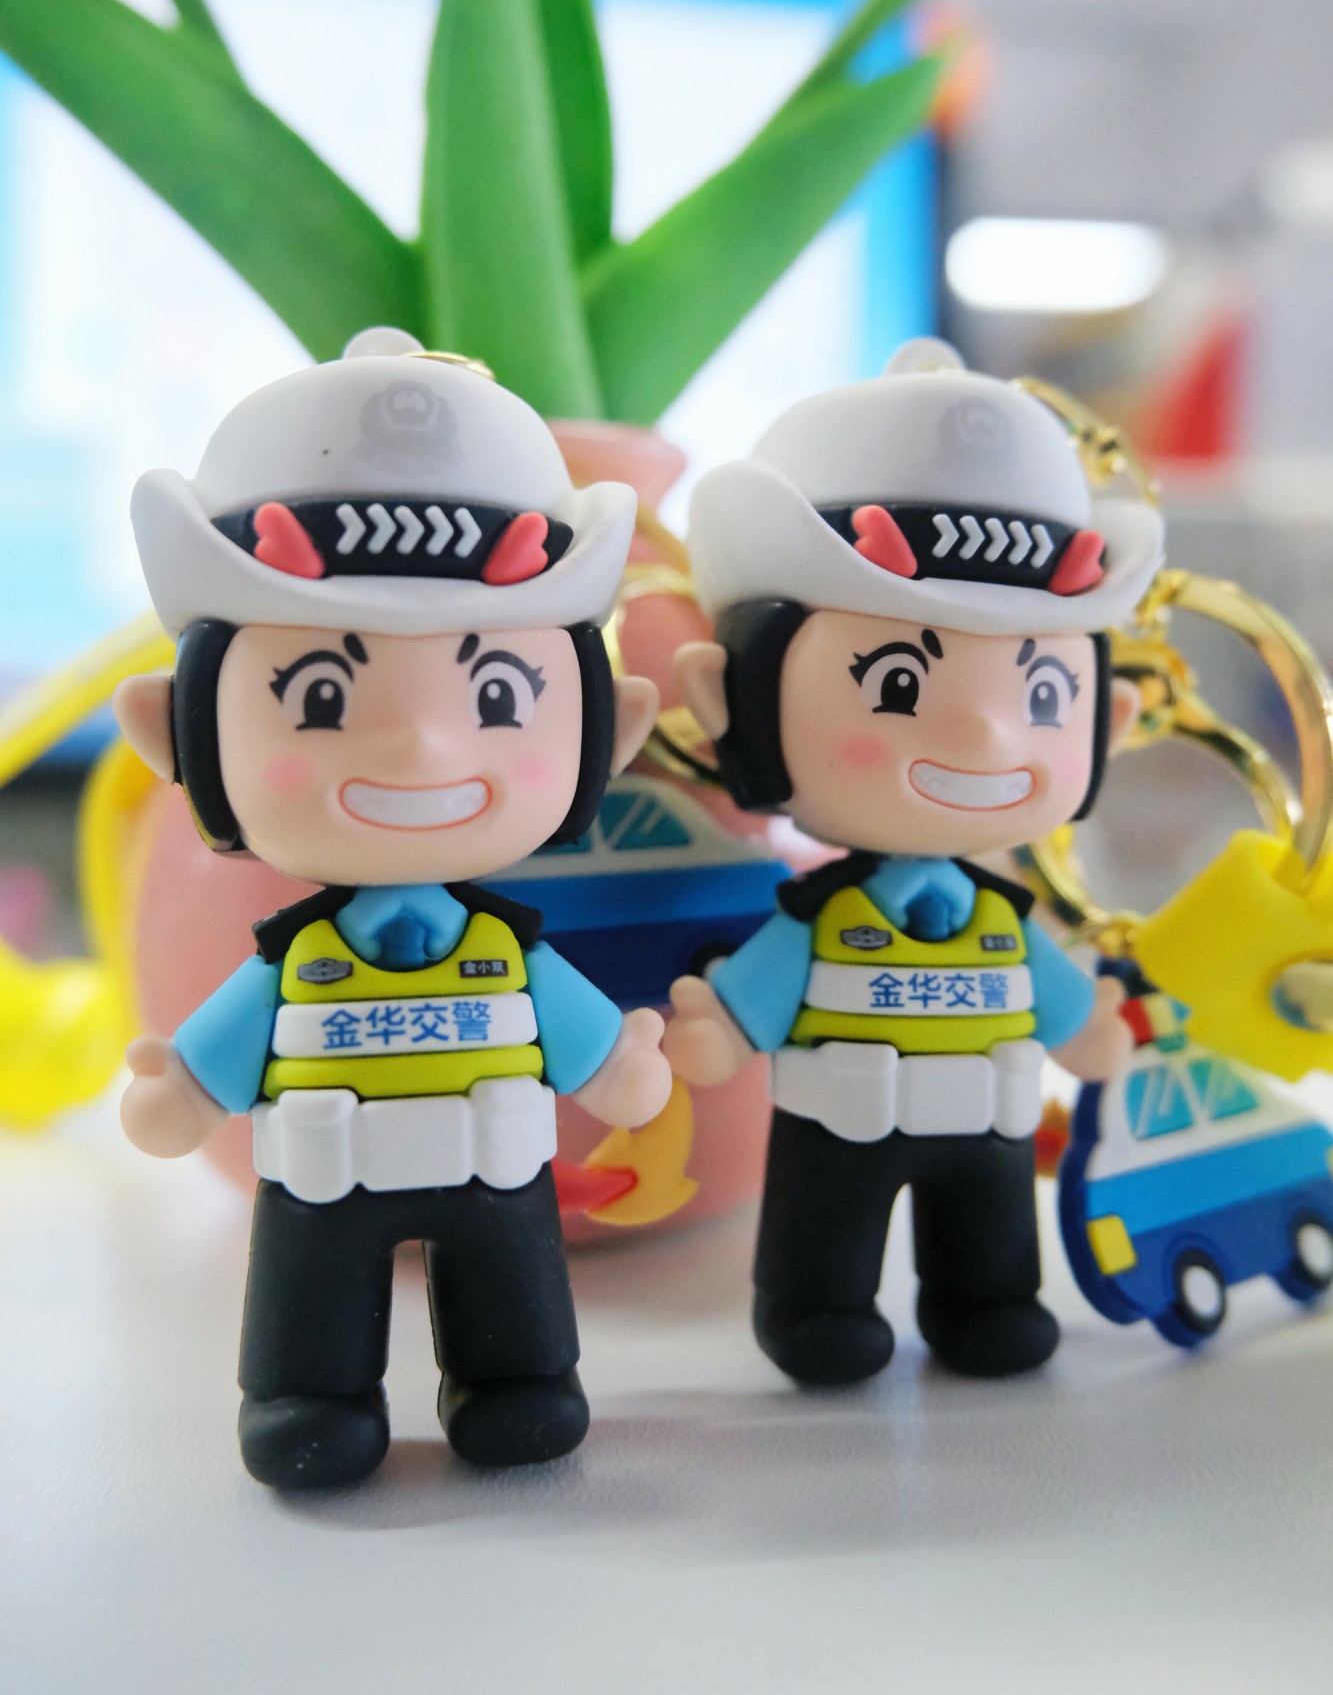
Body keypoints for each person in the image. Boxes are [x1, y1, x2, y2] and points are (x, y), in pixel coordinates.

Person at [115, 329, 671, 1489]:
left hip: (494, 1169)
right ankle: (307, 1393)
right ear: (179, 734)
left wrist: (619, 1067)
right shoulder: (294, 963)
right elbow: (209, 1068)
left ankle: (515, 1378)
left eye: (496, 694)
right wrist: (183, 1091)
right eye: (321, 695)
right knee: (310, 1303)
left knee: (513, 1303)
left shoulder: (507, 955)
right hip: (324, 1177)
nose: (421, 744)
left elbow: (591, 1051)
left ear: (604, 734)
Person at [665, 338, 1162, 1384]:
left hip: (987, 1124)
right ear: (734, 703)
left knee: (989, 1238)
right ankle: (812, 1305)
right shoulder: (816, 920)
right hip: (838, 1117)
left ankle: (985, 1297)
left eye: (1040, 694)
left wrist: (1091, 1031)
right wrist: (719, 1028)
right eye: (897, 682)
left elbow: (1068, 1015)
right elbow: (746, 1007)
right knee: (823, 1236)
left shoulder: (1002, 923)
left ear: (1107, 723)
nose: (985, 733)